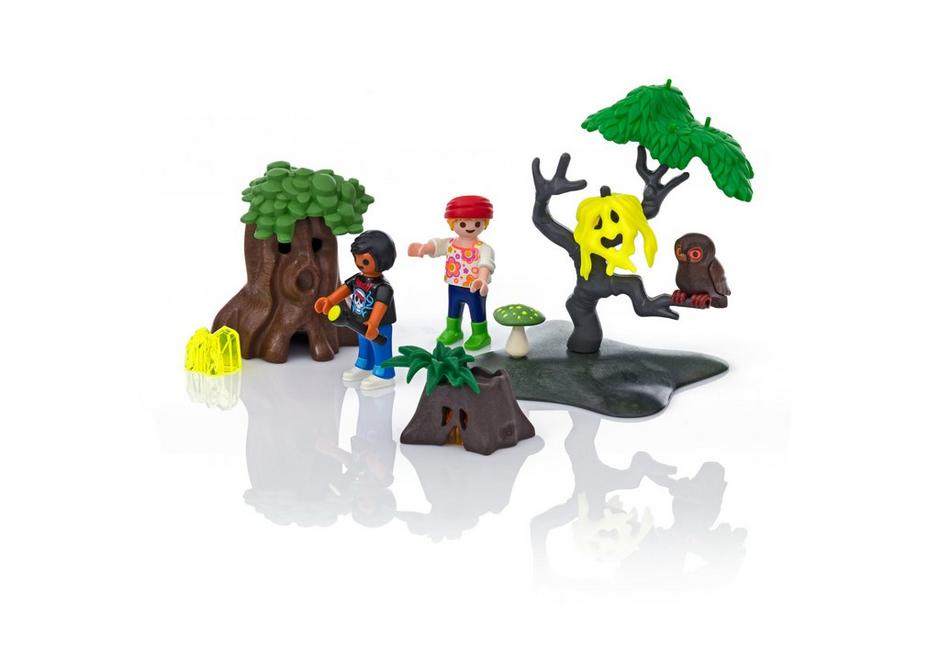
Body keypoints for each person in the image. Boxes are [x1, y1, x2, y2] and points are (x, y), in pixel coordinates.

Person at [407, 195, 495, 350]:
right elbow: (437, 245)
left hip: (474, 288)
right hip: (454, 285)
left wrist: (482, 279)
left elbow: (485, 264)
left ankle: (480, 334)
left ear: (484, 223)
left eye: (477, 223)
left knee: (477, 310)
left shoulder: (484, 248)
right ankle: (453, 330)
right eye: (462, 223)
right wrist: (424, 248)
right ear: (452, 223)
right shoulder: (450, 244)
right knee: (453, 308)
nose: (470, 227)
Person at [314, 230, 397, 391]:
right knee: (364, 345)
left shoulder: (383, 287)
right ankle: (364, 364)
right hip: (359, 320)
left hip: (379, 325)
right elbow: (345, 289)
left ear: (381, 261)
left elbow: (380, 305)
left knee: (380, 347)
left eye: (365, 261)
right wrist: (329, 300)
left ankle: (384, 373)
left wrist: (373, 324)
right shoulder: (359, 279)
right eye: (356, 259)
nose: (359, 264)